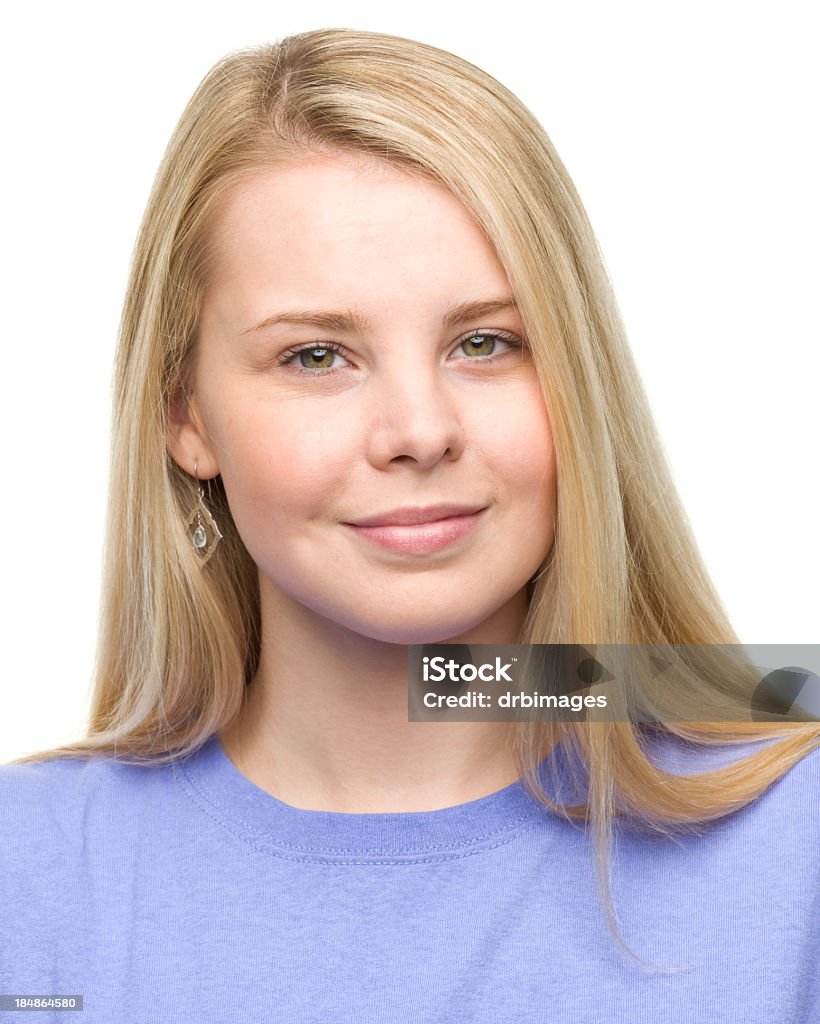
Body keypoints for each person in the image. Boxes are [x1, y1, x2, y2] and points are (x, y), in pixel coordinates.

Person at [1, 27, 817, 1023]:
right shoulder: (31, 871)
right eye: (315, 356)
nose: (419, 432)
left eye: (485, 342)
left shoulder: (794, 832)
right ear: (184, 415)